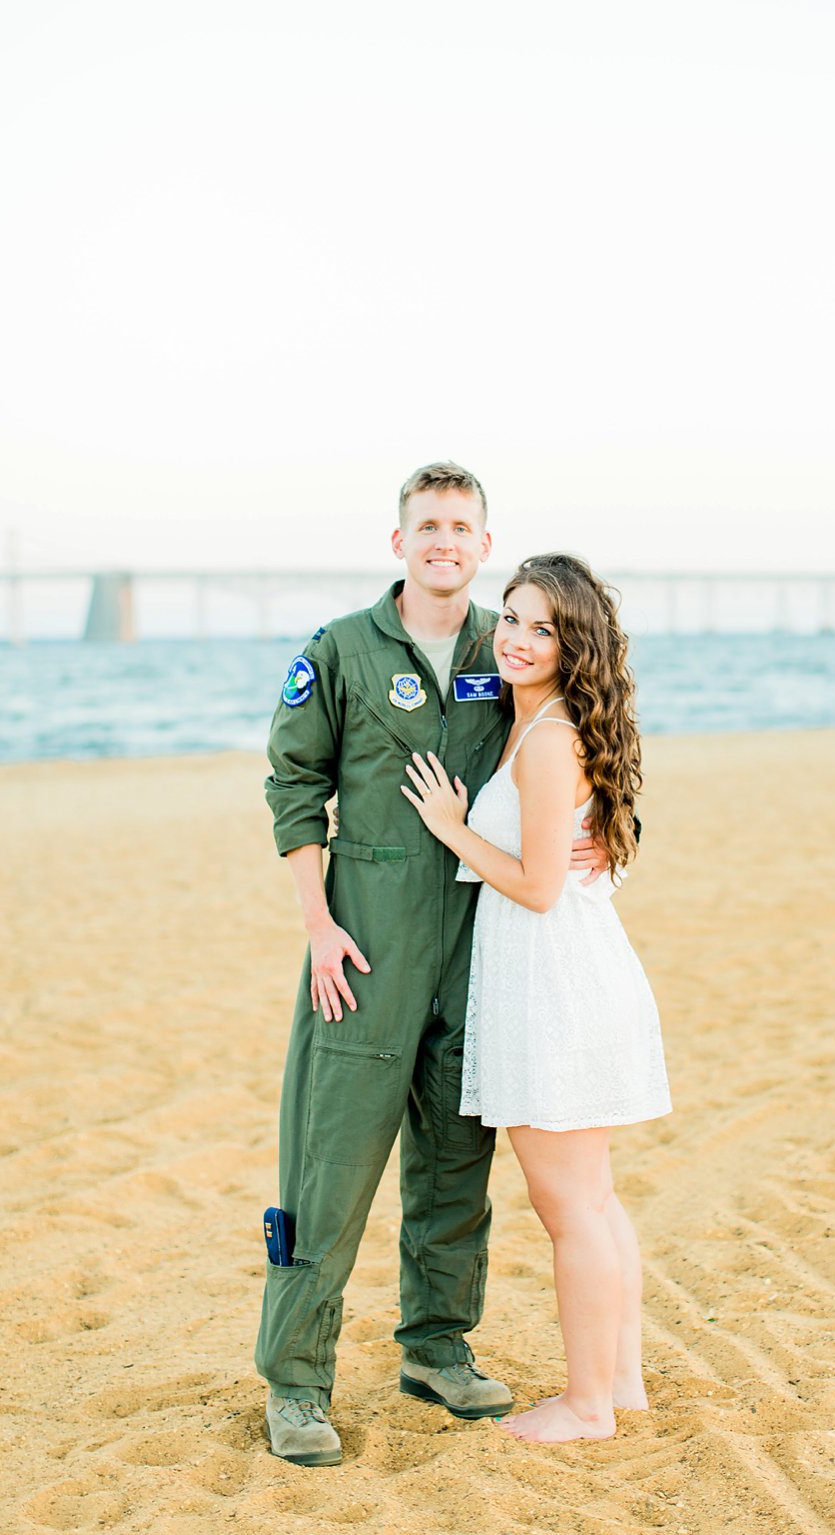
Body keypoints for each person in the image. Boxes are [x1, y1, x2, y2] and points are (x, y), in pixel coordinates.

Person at [256, 462, 612, 1467]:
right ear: (398, 541)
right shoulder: (338, 650)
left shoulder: (510, 645)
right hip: (365, 942)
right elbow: (293, 785)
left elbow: (587, 731)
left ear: (482, 542)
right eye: (426, 524)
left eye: (460, 525)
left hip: (480, 943)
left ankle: (436, 1348)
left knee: (456, 1162)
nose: (442, 539)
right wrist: (318, 923)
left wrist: (605, 834)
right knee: (328, 1161)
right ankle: (293, 1381)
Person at [401, 552, 670, 1444]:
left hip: (555, 985)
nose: (516, 638)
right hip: (562, 975)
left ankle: (588, 1404)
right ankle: (618, 1383)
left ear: (574, 643)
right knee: (593, 1199)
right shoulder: (536, 720)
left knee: (571, 1209)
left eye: (542, 627)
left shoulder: (550, 736)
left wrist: (449, 829)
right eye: (510, 618)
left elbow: (540, 884)